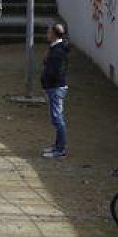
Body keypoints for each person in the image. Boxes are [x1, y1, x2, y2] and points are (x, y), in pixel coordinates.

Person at [41, 23, 70, 159]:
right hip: (55, 87)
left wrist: (47, 85)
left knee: (57, 119)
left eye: (48, 32)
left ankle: (60, 149)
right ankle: (58, 146)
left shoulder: (57, 51)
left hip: (55, 87)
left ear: (53, 34)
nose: (47, 35)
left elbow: (54, 71)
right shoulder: (57, 49)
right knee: (57, 118)